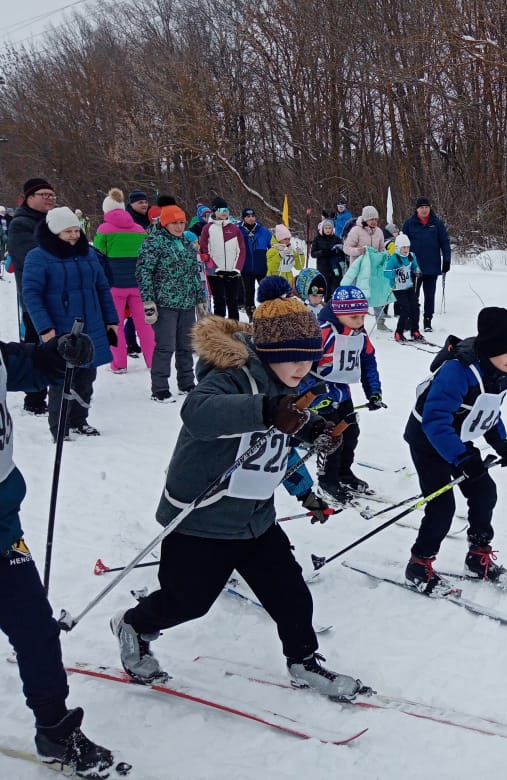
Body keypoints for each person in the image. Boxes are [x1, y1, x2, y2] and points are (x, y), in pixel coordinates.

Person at [109, 289, 362, 699]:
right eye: (293, 356)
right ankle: (134, 625)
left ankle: (303, 661)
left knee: (291, 594)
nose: (303, 366)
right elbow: (197, 413)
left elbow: (275, 446)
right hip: (202, 519)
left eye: (310, 355)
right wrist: (265, 411)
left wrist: (312, 430)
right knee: (188, 601)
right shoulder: (231, 377)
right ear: (267, 351)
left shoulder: (292, 383)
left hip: (255, 518)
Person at [0, 328, 122, 777]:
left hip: (1, 527)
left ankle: (55, 729)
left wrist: (58, 355)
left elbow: (31, 366)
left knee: (36, 630)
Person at [403, 307, 507, 594]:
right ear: (493, 348)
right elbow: (435, 422)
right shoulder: (458, 371)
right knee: (441, 507)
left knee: (485, 492)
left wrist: (502, 445)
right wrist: (461, 458)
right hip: (427, 440)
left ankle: (478, 556)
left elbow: (489, 410)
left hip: (457, 438)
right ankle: (418, 565)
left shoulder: (501, 370)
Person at [22, 207, 118, 441]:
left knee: (87, 378)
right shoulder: (38, 256)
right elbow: (31, 294)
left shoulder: (88, 254)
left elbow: (102, 288)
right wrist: (45, 328)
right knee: (62, 379)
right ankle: (60, 427)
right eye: (68, 232)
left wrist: (111, 321)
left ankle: (79, 420)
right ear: (55, 232)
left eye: (77, 230)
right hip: (61, 328)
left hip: (91, 325)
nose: (75, 235)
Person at [301, 284, 385, 506]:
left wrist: (374, 392)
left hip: (343, 395)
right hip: (321, 397)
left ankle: (344, 474)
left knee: (351, 434)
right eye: (354, 316)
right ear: (339, 313)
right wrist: (310, 395)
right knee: (332, 439)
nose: (360, 321)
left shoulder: (360, 334)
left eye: (362, 316)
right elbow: (302, 367)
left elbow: (368, 361)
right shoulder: (324, 332)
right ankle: (327, 480)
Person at [136, 204, 207, 402]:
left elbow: (194, 273)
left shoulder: (185, 242)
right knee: (166, 346)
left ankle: (186, 383)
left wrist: (199, 300)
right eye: (174, 223)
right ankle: (159, 388)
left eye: (182, 222)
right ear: (165, 223)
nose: (178, 226)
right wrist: (148, 300)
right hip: (164, 303)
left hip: (186, 303)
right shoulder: (154, 243)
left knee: (185, 346)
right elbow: (144, 272)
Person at [9, 177, 58, 416]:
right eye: (44, 195)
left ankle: (59, 388)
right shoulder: (21, 223)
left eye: (52, 195)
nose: (50, 198)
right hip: (34, 295)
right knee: (35, 340)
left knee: (58, 341)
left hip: (59, 293)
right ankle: (35, 396)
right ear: (30, 198)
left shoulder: (55, 220)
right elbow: (27, 256)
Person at [93, 188, 153, 374]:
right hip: (137, 285)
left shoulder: (104, 229)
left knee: (114, 324)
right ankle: (153, 360)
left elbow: (97, 256)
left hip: (114, 285)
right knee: (145, 325)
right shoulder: (139, 230)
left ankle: (118, 363)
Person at [402, 196, 452, 332]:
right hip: (414, 267)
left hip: (432, 266)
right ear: (416, 209)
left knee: (430, 296)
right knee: (413, 296)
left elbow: (445, 243)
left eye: (426, 207)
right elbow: (401, 244)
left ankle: (427, 320)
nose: (424, 210)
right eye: (421, 207)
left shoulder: (437, 224)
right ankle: (411, 320)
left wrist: (447, 260)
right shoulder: (409, 224)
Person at [343, 206, 390, 331]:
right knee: (358, 296)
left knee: (377, 294)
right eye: (371, 219)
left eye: (375, 219)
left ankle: (380, 321)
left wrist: (383, 256)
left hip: (374, 270)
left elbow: (381, 248)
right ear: (365, 219)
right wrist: (359, 251)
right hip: (358, 269)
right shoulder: (356, 231)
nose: (374, 221)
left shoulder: (379, 231)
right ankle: (354, 322)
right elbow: (346, 248)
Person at [199, 197, 246, 320]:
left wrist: (237, 269)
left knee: (233, 302)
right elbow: (204, 251)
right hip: (216, 273)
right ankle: (219, 331)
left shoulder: (235, 229)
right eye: (221, 209)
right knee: (219, 302)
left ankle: (234, 330)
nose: (224, 212)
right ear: (214, 211)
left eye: (226, 209)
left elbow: (241, 250)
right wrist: (214, 268)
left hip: (233, 272)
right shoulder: (207, 229)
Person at [384, 232, 422, 342]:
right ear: (397, 248)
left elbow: (415, 266)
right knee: (405, 309)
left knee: (415, 307)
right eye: (403, 248)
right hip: (397, 287)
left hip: (408, 286)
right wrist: (394, 273)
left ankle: (415, 330)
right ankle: (399, 332)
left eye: (407, 247)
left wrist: (417, 270)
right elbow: (386, 272)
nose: (406, 250)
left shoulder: (411, 256)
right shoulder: (394, 258)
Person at [239, 207, 272, 321]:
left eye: (253, 216)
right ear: (243, 218)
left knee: (266, 291)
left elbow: (272, 246)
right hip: (246, 267)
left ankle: (267, 313)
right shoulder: (238, 230)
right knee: (249, 293)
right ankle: (251, 316)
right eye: (248, 216)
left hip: (261, 267)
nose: (251, 218)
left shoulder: (263, 231)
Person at [311, 219, 346, 299]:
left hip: (335, 269)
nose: (327, 230)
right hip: (323, 268)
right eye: (326, 228)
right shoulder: (317, 239)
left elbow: (343, 251)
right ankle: (326, 305)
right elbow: (313, 254)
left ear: (332, 229)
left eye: (329, 228)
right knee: (325, 290)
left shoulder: (336, 239)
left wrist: (337, 252)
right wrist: (322, 252)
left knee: (335, 289)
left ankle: (335, 306)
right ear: (322, 229)